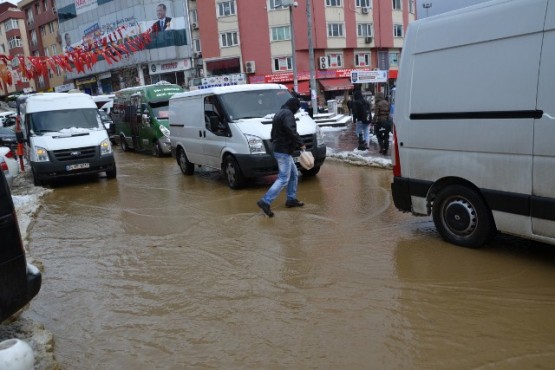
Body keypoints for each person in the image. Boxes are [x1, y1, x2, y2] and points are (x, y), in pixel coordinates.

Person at [257, 98, 305, 218]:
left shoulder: (280, 112)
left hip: (281, 149)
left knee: (293, 175)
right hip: (283, 150)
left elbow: (274, 133)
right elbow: (290, 130)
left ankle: (291, 199)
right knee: (284, 178)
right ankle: (266, 201)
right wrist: (300, 143)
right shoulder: (288, 114)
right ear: (294, 106)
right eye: (297, 108)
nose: (297, 111)